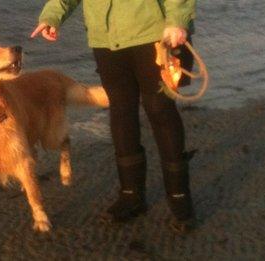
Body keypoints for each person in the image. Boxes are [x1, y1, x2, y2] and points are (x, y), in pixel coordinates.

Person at [31, 0, 196, 234]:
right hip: (105, 38)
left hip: (153, 34)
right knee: (121, 111)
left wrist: (178, 20)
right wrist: (52, 15)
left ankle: (180, 199)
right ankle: (131, 196)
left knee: (160, 110)